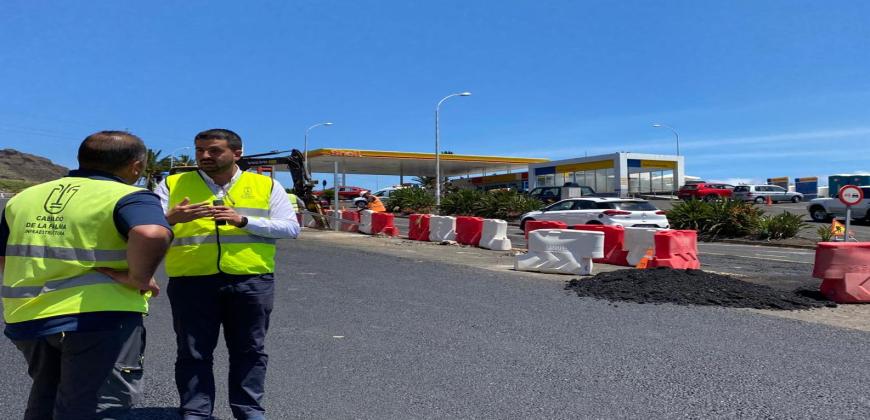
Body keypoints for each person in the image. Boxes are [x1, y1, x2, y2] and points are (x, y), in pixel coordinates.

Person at [0, 131, 173, 419]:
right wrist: (139, 278)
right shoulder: (129, 196)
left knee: (47, 397)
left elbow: (5, 256)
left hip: (28, 317)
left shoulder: (26, 197)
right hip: (98, 318)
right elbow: (151, 233)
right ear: (136, 166)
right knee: (98, 405)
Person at [154, 128, 299, 420]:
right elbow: (148, 227)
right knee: (193, 352)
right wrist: (171, 218)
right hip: (191, 280)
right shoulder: (171, 184)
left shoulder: (267, 186)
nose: (204, 156)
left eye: (214, 150)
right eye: (199, 150)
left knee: (250, 351)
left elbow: (291, 227)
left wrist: (243, 220)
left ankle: (249, 410)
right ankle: (196, 411)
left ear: (237, 153)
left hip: (251, 280)